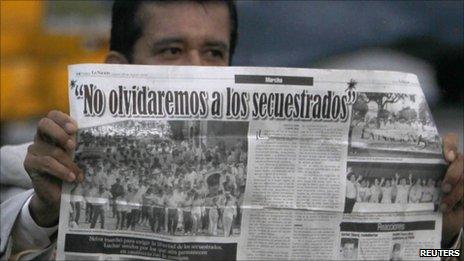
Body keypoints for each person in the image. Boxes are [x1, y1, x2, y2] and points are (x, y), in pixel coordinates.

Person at [0, 0, 462, 260]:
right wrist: (41, 213)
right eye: (173, 51)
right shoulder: (52, 163)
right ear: (120, 69)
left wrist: (446, 237)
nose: (199, 71)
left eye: (214, 53)